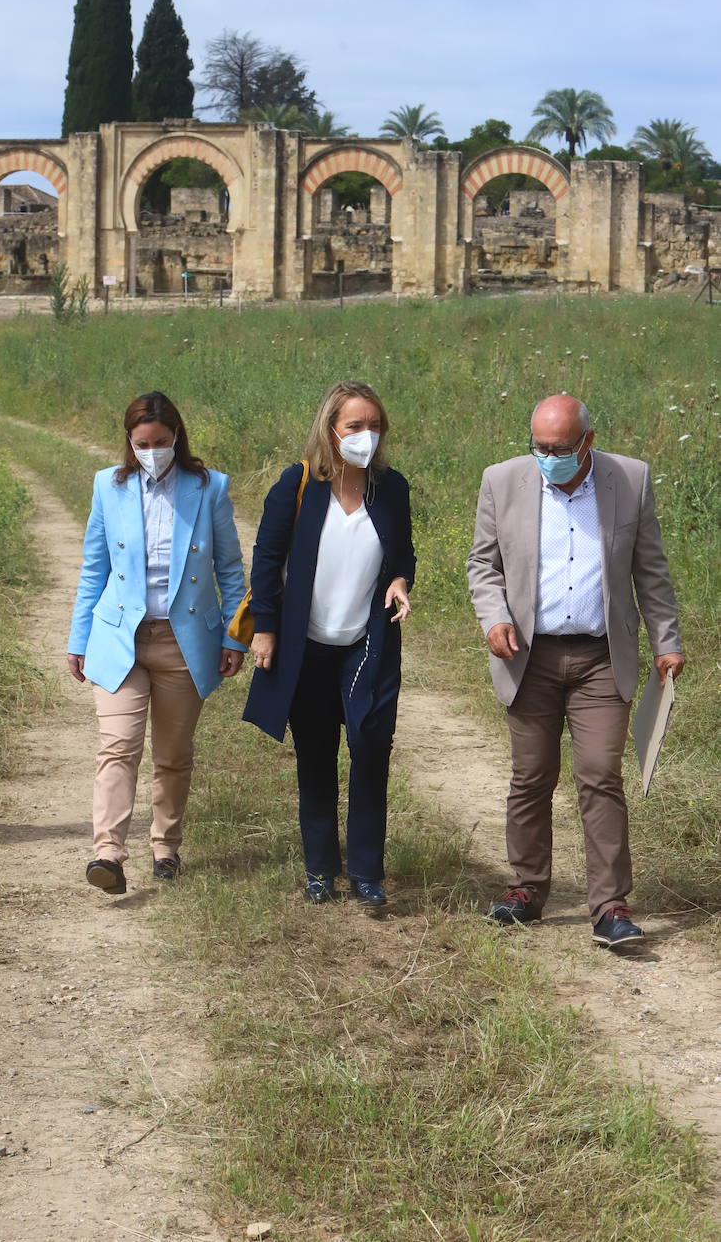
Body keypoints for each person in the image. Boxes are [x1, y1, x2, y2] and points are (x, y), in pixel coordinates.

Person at [467, 393, 684, 949]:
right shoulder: (502, 480)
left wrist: (667, 640)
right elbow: (483, 565)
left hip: (601, 659)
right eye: (538, 447)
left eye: (559, 448)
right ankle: (526, 890)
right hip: (528, 656)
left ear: (587, 441)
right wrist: (494, 619)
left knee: (600, 776)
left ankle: (610, 906)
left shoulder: (628, 480)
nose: (547, 458)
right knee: (531, 776)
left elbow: (651, 572)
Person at [243, 381, 414, 908]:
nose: (366, 435)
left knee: (369, 744)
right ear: (331, 430)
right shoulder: (297, 485)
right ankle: (320, 868)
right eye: (354, 426)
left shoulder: (392, 488)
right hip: (307, 647)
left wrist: (400, 581)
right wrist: (266, 629)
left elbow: (403, 554)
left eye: (374, 425)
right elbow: (267, 561)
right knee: (315, 756)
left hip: (366, 642)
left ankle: (366, 871)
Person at [67, 391, 246, 894]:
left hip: (185, 639)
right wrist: (78, 637)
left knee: (172, 752)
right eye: (142, 443)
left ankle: (165, 847)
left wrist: (235, 633)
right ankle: (108, 853)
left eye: (161, 442)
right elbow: (93, 568)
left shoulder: (209, 488)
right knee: (118, 746)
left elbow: (229, 567)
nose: (152, 451)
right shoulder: (109, 485)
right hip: (120, 636)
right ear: (129, 442)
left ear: (177, 439)